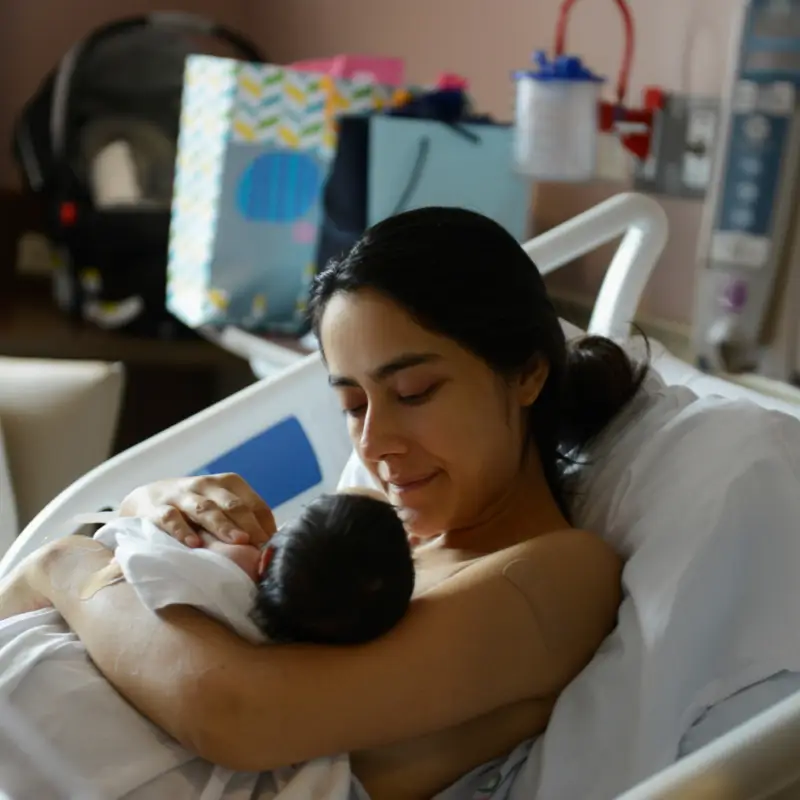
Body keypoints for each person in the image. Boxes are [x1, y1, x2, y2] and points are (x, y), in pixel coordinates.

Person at [5, 206, 642, 800]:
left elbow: (237, 715)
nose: (375, 443)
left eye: (415, 392)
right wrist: (148, 513)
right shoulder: (369, 527)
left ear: (528, 372)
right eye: (354, 404)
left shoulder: (559, 575)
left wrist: (67, 567)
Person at [0, 492, 414, 799]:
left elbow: (126, 545)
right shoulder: (332, 664)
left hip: (40, 682)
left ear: (268, 560)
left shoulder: (226, 559)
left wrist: (119, 531)